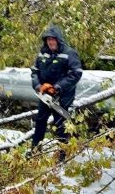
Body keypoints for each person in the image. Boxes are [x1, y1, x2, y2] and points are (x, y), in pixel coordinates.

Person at [30, 25, 83, 159]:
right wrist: (38, 86)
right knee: (40, 121)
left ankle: (62, 155)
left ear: (58, 39)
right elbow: (34, 72)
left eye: (53, 39)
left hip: (62, 96)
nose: (50, 42)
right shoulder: (43, 53)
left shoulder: (69, 53)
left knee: (61, 125)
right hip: (45, 95)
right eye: (48, 40)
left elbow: (76, 74)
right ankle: (35, 150)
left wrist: (57, 87)